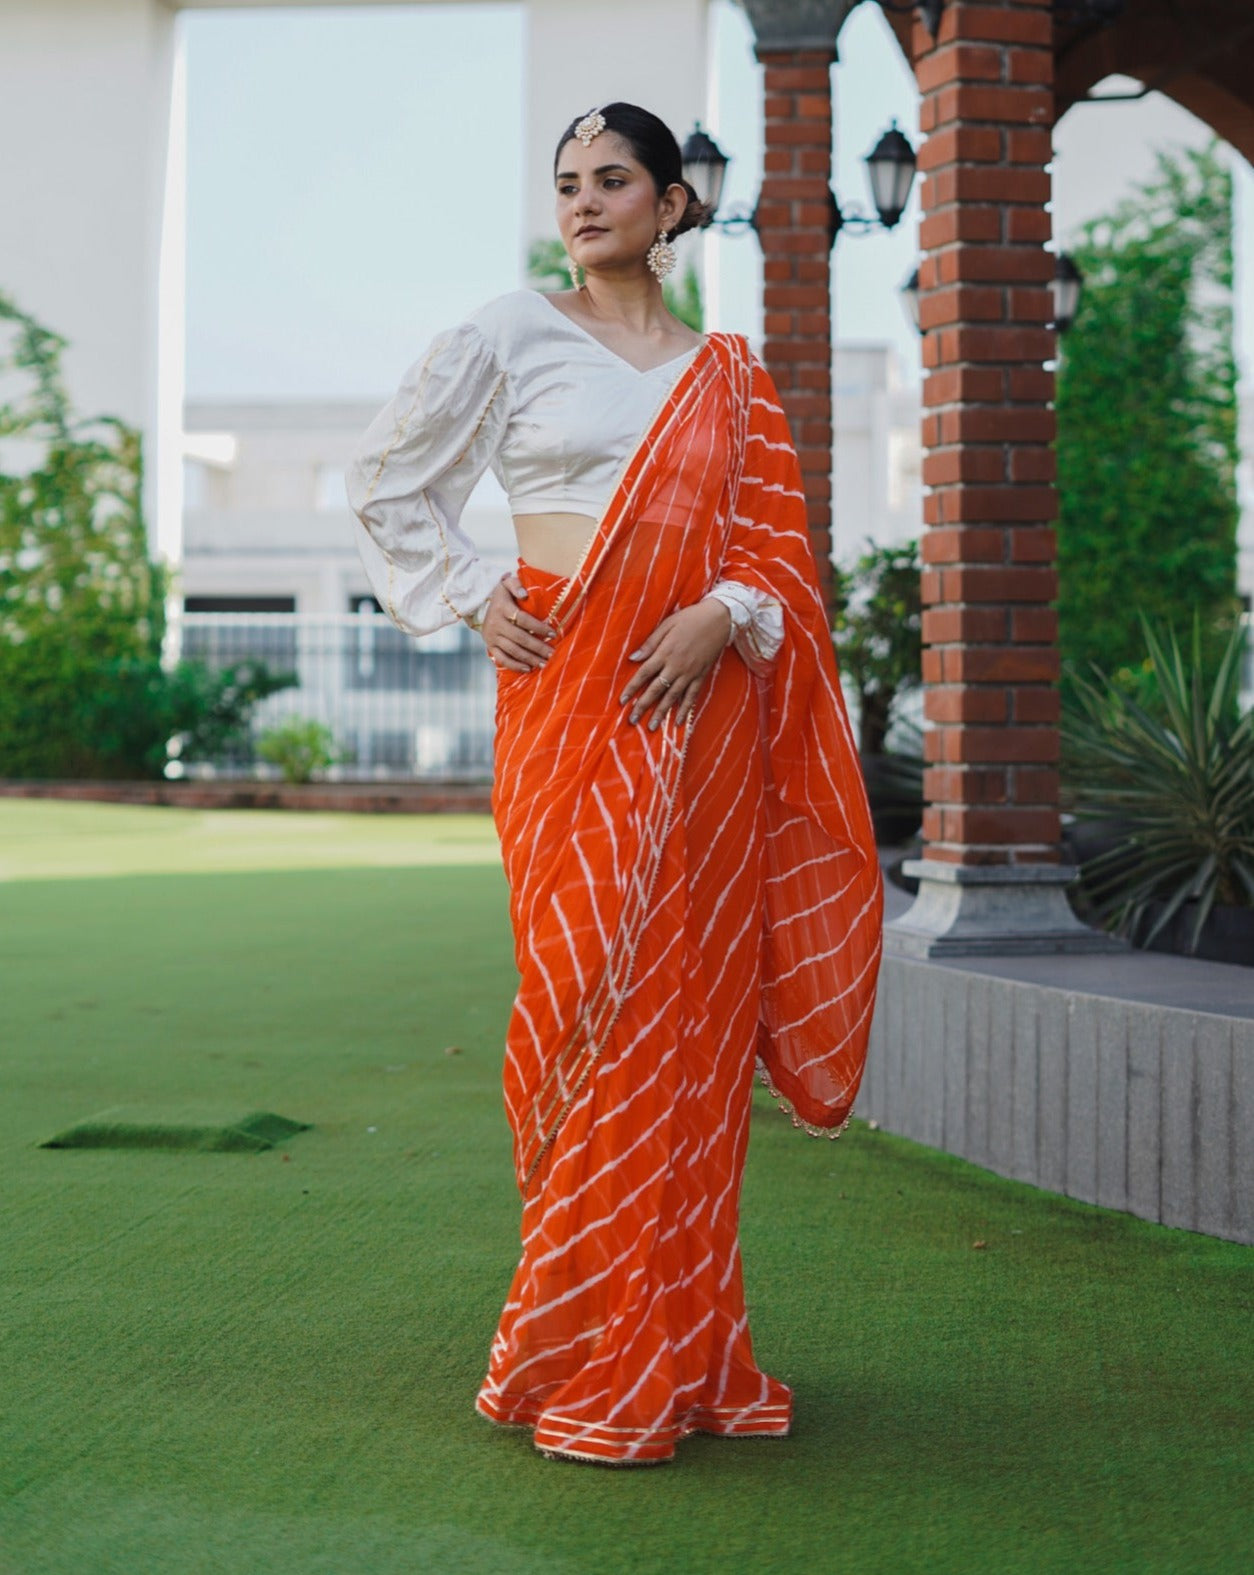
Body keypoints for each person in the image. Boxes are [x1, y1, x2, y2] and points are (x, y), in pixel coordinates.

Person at [347, 102, 883, 1467]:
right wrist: (476, 594)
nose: (583, 204)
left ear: (671, 206)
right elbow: (389, 485)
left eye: (612, 182)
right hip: (567, 702)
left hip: (697, 723)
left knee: (684, 1024)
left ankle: (684, 1353)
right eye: (568, 183)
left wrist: (722, 612)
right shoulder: (506, 331)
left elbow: (774, 553)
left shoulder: (727, 373)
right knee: (578, 993)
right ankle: (575, 1339)